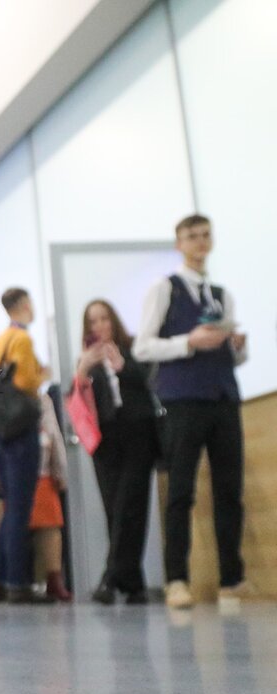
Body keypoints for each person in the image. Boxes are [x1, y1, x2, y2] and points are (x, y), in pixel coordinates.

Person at [133, 214, 249, 609]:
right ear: (179, 243)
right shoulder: (165, 289)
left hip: (223, 398)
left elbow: (232, 358)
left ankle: (232, 579)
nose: (200, 242)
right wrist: (188, 342)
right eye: (192, 236)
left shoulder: (221, 295)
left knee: (229, 491)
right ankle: (176, 579)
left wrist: (236, 346)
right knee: (181, 490)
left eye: (205, 235)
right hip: (182, 400)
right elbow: (142, 347)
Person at [76, 300, 159, 605]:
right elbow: (77, 400)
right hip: (105, 439)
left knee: (132, 506)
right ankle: (134, 583)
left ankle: (110, 579)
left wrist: (123, 366)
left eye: (104, 318)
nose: (99, 325)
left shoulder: (134, 347)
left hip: (138, 433)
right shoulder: (87, 359)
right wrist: (83, 368)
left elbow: (149, 381)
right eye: (93, 321)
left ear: (114, 320)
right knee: (115, 509)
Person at [0, 288, 50, 603]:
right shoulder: (22, 340)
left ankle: (0, 580)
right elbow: (24, 382)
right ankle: (18, 584)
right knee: (20, 509)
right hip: (21, 430)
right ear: (24, 304)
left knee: (10, 508)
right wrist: (42, 375)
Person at [29, 398, 69, 602]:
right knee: (50, 530)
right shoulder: (41, 399)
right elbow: (53, 435)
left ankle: (38, 582)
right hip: (41, 470)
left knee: (37, 529)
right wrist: (60, 471)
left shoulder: (2, 393)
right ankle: (51, 581)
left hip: (28, 472)